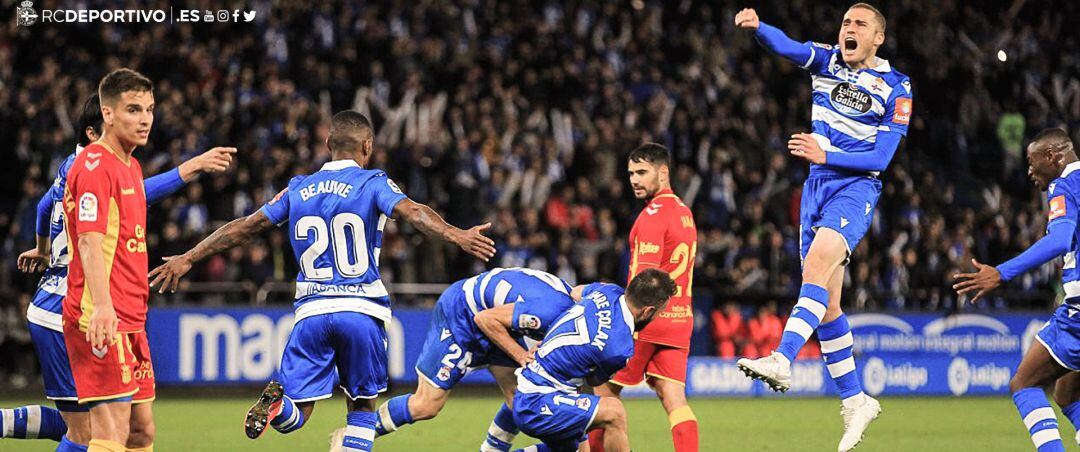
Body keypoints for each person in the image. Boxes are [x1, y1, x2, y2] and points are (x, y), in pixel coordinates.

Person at [147, 110, 496, 451]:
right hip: (360, 308)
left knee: (297, 412)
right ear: (368, 147)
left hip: (311, 312)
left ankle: (277, 407)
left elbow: (246, 226)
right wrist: (457, 235)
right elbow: (415, 212)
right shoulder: (373, 182)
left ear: (328, 143)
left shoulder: (298, 188)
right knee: (361, 408)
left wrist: (188, 257)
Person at [1, 92, 233, 451]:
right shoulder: (94, 168)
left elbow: (45, 204)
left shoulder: (69, 165)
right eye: (123, 118)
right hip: (77, 310)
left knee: (84, 425)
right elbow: (137, 194)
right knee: (90, 432)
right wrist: (190, 168)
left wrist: (44, 248)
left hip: (51, 303)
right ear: (95, 133)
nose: (136, 125)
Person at [734, 4, 913, 450]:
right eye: (846, 23)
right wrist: (759, 29)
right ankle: (855, 401)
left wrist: (825, 154)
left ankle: (782, 358)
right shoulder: (827, 58)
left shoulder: (897, 87)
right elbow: (788, 47)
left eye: (861, 25)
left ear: (878, 39)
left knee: (815, 268)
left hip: (855, 188)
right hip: (816, 187)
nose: (850, 29)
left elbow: (881, 160)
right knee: (827, 305)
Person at [58, 68, 164, 452]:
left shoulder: (131, 166)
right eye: (133, 109)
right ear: (107, 114)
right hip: (100, 315)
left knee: (141, 431)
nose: (145, 119)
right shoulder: (94, 165)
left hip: (131, 315)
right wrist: (102, 307)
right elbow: (88, 240)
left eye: (149, 109)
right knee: (110, 433)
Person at [953, 128, 1078, 452]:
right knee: (1067, 393)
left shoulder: (1063, 185)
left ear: (1053, 156)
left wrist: (1001, 273)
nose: (1029, 171)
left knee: (1024, 382)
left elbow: (1061, 239)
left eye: (1032, 162)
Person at [372, 267, 576, 452]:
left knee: (521, 397)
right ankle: (357, 434)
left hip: (501, 323)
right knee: (426, 405)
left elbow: (583, 290)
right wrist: (521, 355)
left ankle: (491, 450)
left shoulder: (575, 302)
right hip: (464, 314)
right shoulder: (550, 315)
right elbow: (484, 319)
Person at [589, 143, 699, 452]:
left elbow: (644, 282)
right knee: (674, 399)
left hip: (646, 320)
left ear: (663, 173)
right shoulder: (684, 212)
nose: (634, 180)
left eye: (642, 172)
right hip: (680, 320)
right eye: (630, 174)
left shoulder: (652, 215)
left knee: (602, 394)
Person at [513, 269, 676, 452]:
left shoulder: (608, 291)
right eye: (660, 313)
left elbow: (574, 293)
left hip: (537, 387)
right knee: (614, 412)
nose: (658, 318)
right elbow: (593, 380)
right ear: (647, 311)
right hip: (538, 399)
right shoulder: (620, 348)